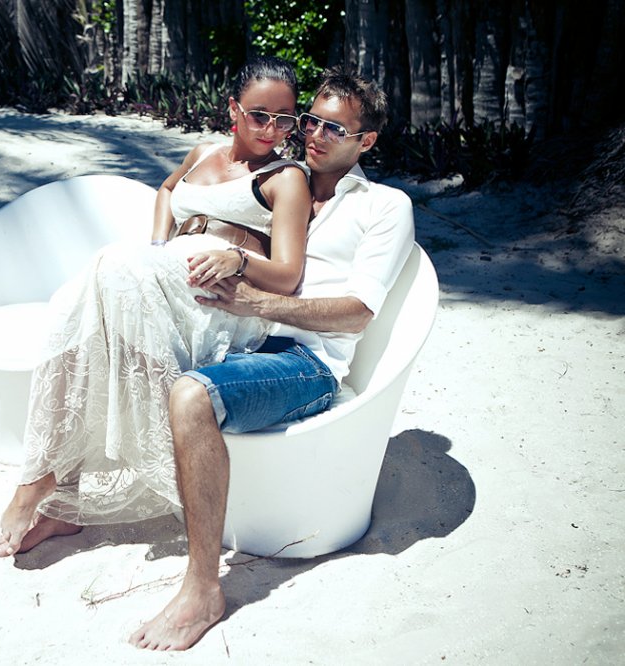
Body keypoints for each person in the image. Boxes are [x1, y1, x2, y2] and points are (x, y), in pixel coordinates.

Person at [128, 68, 415, 650]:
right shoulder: (282, 180)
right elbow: (193, 198)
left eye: (335, 128)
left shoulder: (385, 206)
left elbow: (358, 313)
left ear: (366, 141)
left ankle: (203, 589)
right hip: (240, 338)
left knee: (191, 394)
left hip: (305, 362)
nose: (314, 135)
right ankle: (56, 493)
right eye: (311, 121)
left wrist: (259, 301)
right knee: (122, 322)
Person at [0, 56, 313, 558]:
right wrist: (160, 245)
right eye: (258, 115)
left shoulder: (286, 178)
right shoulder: (203, 152)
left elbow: (288, 273)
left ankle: (43, 483)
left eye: (284, 119)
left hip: (218, 298)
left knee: (109, 266)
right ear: (233, 108)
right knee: (74, 308)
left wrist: (238, 258)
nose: (271, 130)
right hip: (162, 275)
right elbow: (166, 190)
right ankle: (61, 498)